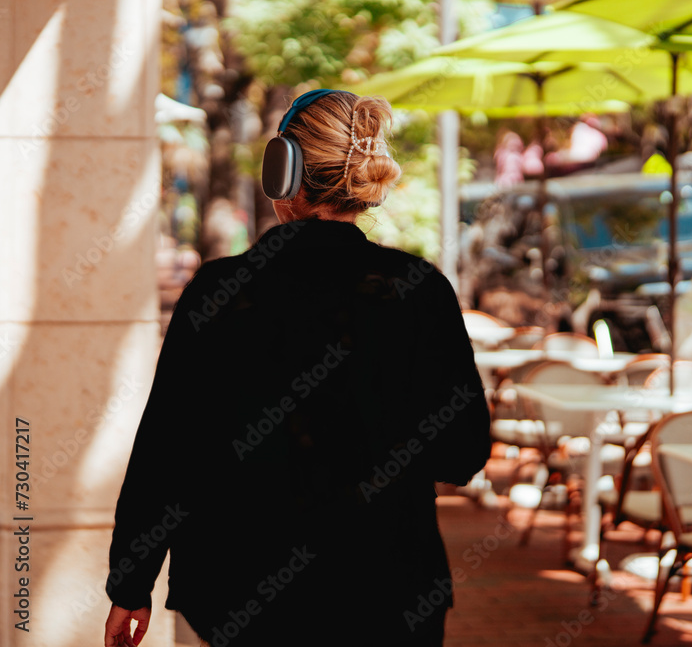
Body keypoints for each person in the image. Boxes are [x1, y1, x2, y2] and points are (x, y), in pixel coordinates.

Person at [103, 90, 493, 647]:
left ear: (281, 170)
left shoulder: (218, 293)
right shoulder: (418, 289)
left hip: (235, 598)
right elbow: (463, 453)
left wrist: (130, 583)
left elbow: (168, 452)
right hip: (389, 595)